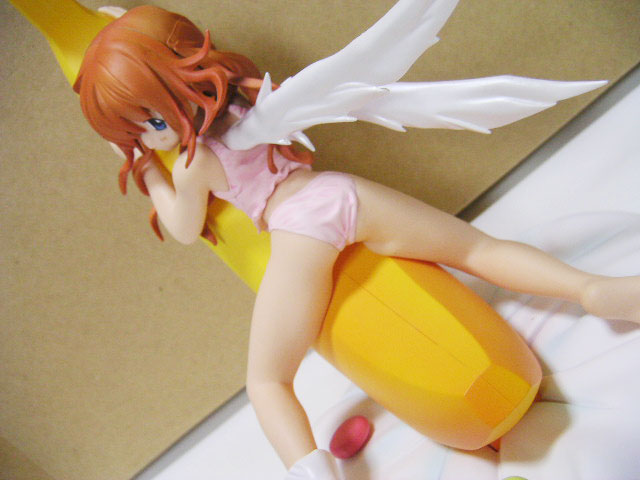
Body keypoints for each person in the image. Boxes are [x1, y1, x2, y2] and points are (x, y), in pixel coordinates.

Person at [74, 4, 639, 478]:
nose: (152, 132)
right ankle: (593, 290)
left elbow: (182, 227)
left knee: (268, 381)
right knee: (476, 250)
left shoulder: (192, 163)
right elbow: (171, 57)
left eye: (150, 120)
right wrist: (136, 27)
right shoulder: (250, 101)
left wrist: (147, 168)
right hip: (342, 194)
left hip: (299, 232)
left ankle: (310, 472)